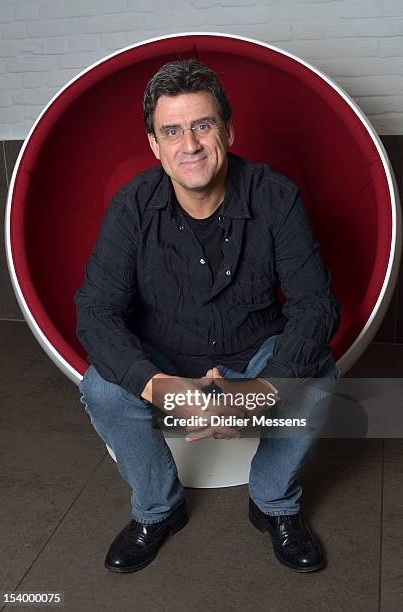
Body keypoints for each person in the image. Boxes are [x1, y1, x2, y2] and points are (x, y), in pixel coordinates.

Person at [74, 59, 341, 574]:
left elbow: (316, 307)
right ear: (154, 144)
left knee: (318, 372)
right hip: (164, 361)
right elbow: (95, 310)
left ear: (228, 130)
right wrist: (164, 389)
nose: (189, 145)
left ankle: (273, 505)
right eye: (172, 131)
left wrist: (259, 393)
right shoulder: (132, 206)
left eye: (203, 125)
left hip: (252, 356)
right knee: (102, 385)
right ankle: (158, 509)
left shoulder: (276, 197)